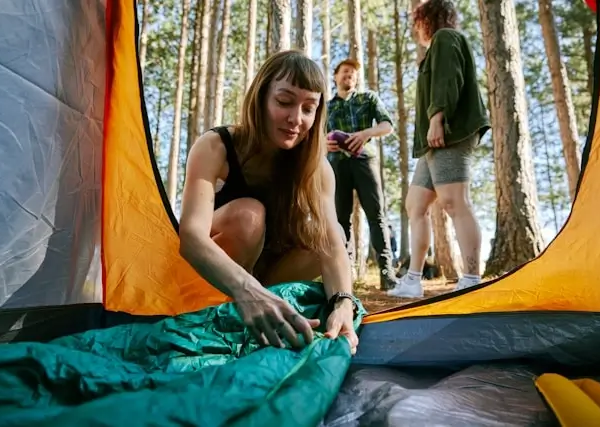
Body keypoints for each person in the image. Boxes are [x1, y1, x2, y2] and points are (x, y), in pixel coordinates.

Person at [178, 50, 359, 355]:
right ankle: (224, 311)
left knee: (335, 235)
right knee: (249, 216)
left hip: (266, 275)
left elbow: (331, 244)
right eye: (284, 102)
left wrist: (343, 303)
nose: (295, 119)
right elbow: (191, 238)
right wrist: (245, 289)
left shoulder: (317, 168)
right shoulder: (215, 146)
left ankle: (262, 309)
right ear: (261, 98)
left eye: (308, 108)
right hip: (207, 280)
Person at [388, 0, 491, 298]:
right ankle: (413, 280)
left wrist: (437, 117)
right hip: (433, 142)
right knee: (415, 205)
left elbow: (448, 79)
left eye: (416, 20)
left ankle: (471, 278)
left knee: (454, 202)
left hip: (449, 132)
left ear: (427, 19)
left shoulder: (446, 37)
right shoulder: (436, 46)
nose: (414, 27)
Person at [326, 58, 399, 290]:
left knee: (377, 216)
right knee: (340, 219)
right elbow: (315, 137)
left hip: (365, 161)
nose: (349, 75)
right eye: (345, 71)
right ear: (335, 76)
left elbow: (387, 126)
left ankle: (387, 274)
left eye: (353, 73)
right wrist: (324, 144)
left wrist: (365, 133)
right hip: (336, 165)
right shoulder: (326, 107)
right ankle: (344, 276)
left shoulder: (368, 98)